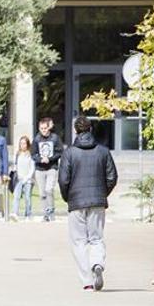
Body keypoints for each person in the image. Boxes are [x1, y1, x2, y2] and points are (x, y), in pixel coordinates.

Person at [58, 116, 118, 292]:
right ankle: (97, 263)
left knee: (79, 241)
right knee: (96, 238)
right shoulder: (103, 151)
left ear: (76, 130)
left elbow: (63, 180)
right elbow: (112, 177)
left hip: (76, 201)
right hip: (97, 200)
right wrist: (102, 193)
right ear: (90, 129)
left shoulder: (69, 153)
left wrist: (67, 197)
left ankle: (87, 281)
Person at [31, 117, 63, 222]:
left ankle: (51, 212)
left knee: (49, 189)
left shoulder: (55, 138)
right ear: (39, 128)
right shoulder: (36, 139)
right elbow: (33, 154)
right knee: (42, 193)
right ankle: (45, 214)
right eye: (41, 128)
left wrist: (49, 159)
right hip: (40, 169)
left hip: (51, 168)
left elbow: (60, 152)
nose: (44, 130)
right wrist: (40, 159)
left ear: (48, 127)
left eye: (45, 128)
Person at [11, 136, 36, 220]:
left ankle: (28, 214)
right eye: (21, 143)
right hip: (19, 179)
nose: (22, 145)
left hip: (28, 180)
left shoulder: (30, 155)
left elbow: (32, 168)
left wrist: (27, 178)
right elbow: (15, 165)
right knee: (16, 196)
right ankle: (15, 213)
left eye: (24, 143)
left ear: (27, 144)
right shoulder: (17, 154)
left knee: (27, 197)